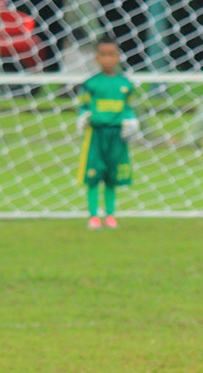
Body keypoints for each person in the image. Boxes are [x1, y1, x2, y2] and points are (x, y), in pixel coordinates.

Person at [76, 36, 138, 230]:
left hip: (117, 135)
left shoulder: (125, 84)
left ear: (118, 56)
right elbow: (84, 105)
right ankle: (93, 216)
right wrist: (83, 117)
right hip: (96, 134)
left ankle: (110, 215)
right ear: (96, 57)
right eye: (103, 55)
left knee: (112, 177)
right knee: (93, 176)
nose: (107, 59)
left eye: (111, 54)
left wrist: (132, 121)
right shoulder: (91, 83)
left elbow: (129, 107)